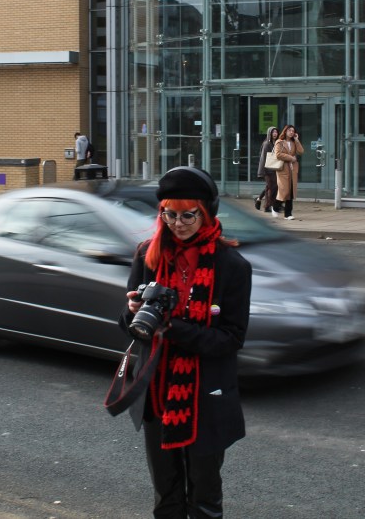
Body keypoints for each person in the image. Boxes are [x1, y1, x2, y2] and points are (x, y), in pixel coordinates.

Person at [119, 166, 252, 519]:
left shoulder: (231, 266)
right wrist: (132, 311)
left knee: (204, 500)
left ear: (206, 213)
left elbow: (232, 338)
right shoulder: (147, 254)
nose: (178, 223)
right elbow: (129, 326)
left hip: (205, 400)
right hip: (157, 396)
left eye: (188, 215)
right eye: (170, 214)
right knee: (166, 497)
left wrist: (172, 327)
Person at [273, 124, 304, 220]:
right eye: (290, 130)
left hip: (292, 169)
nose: (291, 132)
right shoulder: (279, 142)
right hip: (283, 169)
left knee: (291, 191)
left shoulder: (294, 142)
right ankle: (275, 207)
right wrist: (291, 158)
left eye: (293, 131)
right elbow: (278, 154)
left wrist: (297, 140)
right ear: (285, 131)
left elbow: (301, 151)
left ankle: (288, 214)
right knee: (284, 190)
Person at [254, 125, 279, 214]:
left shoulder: (275, 143)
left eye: (276, 132)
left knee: (270, 187)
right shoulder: (267, 144)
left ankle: (259, 199)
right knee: (270, 187)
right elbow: (263, 158)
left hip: (273, 169)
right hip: (267, 170)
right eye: (273, 132)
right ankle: (267, 206)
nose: (275, 134)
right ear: (269, 133)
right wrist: (262, 171)